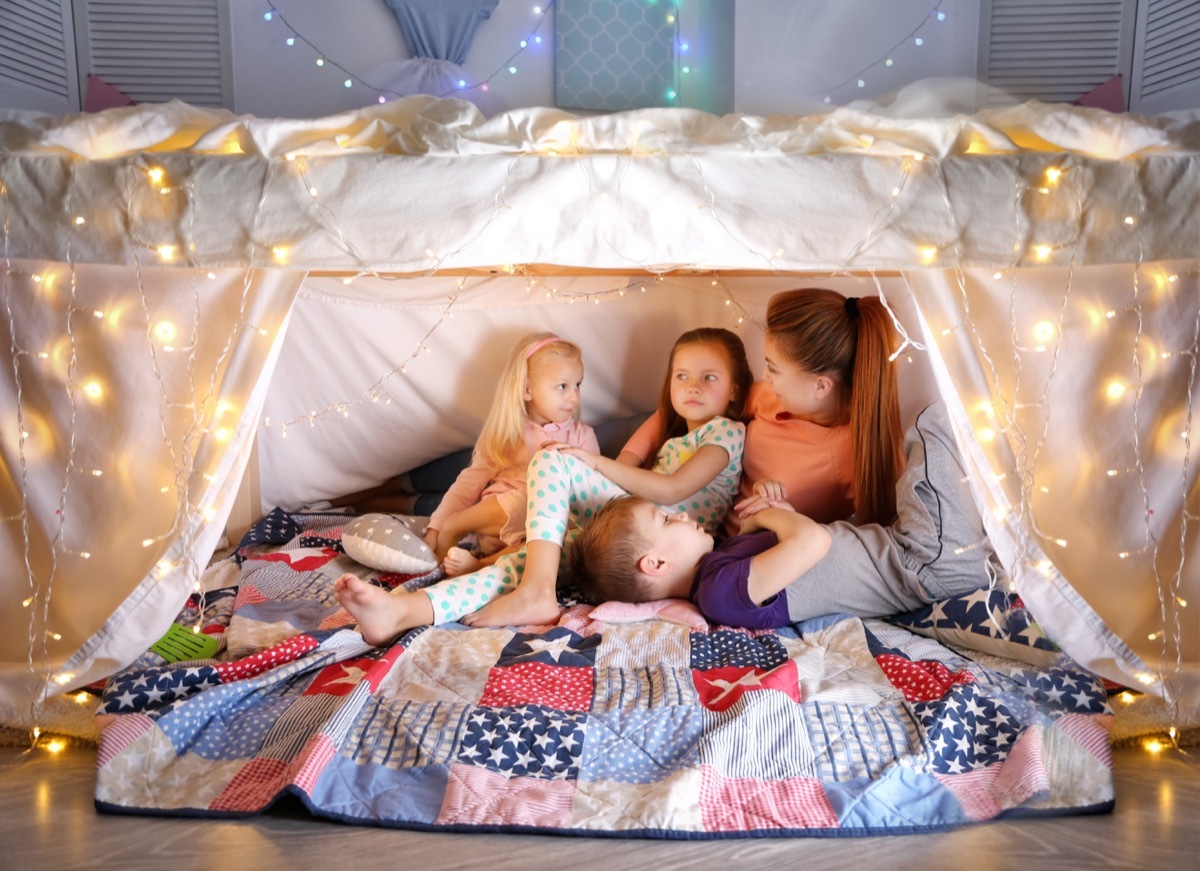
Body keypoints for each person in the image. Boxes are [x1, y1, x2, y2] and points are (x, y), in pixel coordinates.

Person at [333, 327, 752, 642]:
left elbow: (673, 490)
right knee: (523, 562)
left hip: (663, 530)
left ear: (735, 390)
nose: (692, 386)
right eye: (681, 375)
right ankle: (403, 612)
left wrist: (590, 461)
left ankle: (535, 591)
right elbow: (624, 465)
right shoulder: (668, 429)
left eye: (709, 378)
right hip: (628, 528)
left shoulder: (727, 432)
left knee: (552, 458)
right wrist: (630, 443)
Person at [567, 400, 998, 628]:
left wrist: (775, 510)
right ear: (656, 564)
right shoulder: (718, 594)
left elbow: (802, 547)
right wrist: (767, 518)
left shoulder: (722, 568)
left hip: (911, 551)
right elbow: (814, 540)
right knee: (934, 420)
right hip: (925, 563)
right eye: (664, 521)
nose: (677, 516)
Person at [338, 332, 600, 576]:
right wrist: (438, 526)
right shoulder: (508, 433)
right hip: (496, 519)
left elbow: (588, 495)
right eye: (562, 386)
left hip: (537, 532)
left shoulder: (582, 436)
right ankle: (453, 528)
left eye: (577, 385)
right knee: (526, 499)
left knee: (556, 536)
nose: (574, 397)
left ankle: (480, 565)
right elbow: (467, 485)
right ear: (527, 389)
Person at [727, 287, 904, 533]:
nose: (765, 376)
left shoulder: (857, 450)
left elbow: (882, 535)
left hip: (768, 552)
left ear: (820, 386)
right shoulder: (770, 395)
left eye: (774, 368)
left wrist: (792, 520)